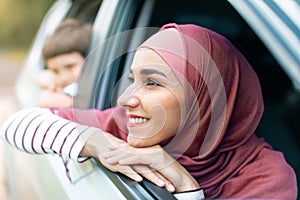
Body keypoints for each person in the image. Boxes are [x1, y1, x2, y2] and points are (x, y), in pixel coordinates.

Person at [0, 23, 297, 199]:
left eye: (152, 82)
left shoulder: (268, 179)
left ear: (207, 98)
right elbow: (16, 125)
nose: (126, 99)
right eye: (132, 80)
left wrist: (184, 185)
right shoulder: (120, 126)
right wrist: (96, 141)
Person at [36, 18, 92, 108]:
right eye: (55, 71)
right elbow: (42, 77)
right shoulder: (58, 89)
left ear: (90, 60)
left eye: (70, 66)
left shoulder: (92, 89)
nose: (63, 78)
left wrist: (69, 103)